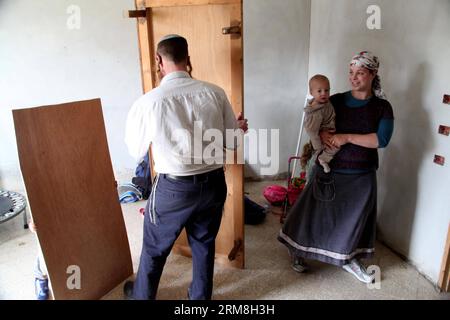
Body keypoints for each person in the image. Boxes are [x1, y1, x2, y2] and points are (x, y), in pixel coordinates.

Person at [123, 34, 248, 300]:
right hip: (213, 184)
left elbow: (135, 151)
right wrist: (237, 130)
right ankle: (199, 300)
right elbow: (232, 142)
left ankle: (142, 297)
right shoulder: (215, 93)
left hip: (173, 188)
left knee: (155, 249)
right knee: (203, 244)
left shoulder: (148, 102)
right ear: (187, 58)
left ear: (158, 60)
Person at [278, 51, 394, 283]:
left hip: (362, 174)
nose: (354, 78)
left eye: (360, 73)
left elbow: (381, 140)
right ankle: (299, 249)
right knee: (311, 213)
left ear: (372, 75)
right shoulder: (335, 101)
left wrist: (346, 137)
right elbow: (315, 122)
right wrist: (320, 133)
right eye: (351, 73)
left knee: (354, 219)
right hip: (330, 170)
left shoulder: (382, 107)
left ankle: (348, 258)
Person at [304, 75, 339, 173]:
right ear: (311, 92)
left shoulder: (324, 102)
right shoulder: (316, 112)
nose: (324, 93)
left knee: (335, 145)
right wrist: (318, 147)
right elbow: (311, 130)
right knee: (334, 147)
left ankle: (323, 158)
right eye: (319, 91)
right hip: (323, 135)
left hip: (329, 129)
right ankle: (323, 159)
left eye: (327, 90)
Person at [29, 221, 50, 300]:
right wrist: (32, 226)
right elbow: (34, 218)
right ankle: (43, 286)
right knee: (39, 266)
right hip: (48, 241)